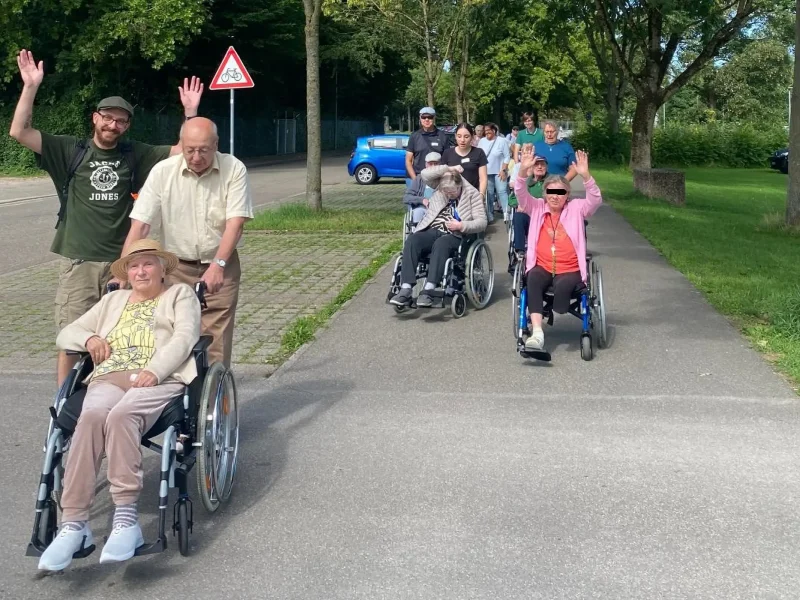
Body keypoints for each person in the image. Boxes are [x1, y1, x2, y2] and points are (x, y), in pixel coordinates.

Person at [7, 49, 204, 386]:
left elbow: (179, 152)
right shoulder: (70, 150)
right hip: (79, 262)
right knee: (73, 338)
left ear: (127, 126)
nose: (113, 125)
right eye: (108, 118)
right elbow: (19, 132)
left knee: (120, 335)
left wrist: (190, 112)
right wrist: (30, 86)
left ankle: (106, 393)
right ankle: (64, 405)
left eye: (121, 121)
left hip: (122, 265)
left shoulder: (134, 153)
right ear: (95, 118)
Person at [38, 240, 201, 571]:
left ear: (162, 269)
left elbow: (185, 337)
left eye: (148, 264)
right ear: (126, 273)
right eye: (134, 266)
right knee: (91, 415)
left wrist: (155, 370)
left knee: (122, 415)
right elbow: (66, 333)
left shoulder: (180, 295)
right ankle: (74, 524)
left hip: (159, 377)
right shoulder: (113, 300)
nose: (141, 271)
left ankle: (126, 520)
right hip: (109, 377)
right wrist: (89, 338)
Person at [123, 118, 253, 367]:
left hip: (220, 264)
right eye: (189, 150)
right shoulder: (163, 171)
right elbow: (140, 225)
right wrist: (124, 269)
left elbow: (235, 223)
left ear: (216, 145)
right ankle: (178, 389)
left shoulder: (234, 168)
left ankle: (215, 388)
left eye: (203, 150)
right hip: (175, 266)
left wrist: (218, 265)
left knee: (215, 341)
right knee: (172, 334)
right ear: (181, 144)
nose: (196, 157)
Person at [513, 149, 601, 354]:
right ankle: (537, 334)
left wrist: (586, 176)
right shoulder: (536, 207)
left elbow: (595, 201)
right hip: (542, 266)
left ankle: (557, 309)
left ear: (567, 195)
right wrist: (523, 171)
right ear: (545, 194)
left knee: (561, 299)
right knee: (532, 278)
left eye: (560, 192)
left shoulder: (577, 208)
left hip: (570, 269)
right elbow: (520, 193)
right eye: (551, 192)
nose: (555, 197)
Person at [389, 166, 487, 308]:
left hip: (455, 234)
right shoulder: (440, 185)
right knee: (413, 240)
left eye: (452, 192)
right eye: (445, 191)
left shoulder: (473, 195)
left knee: (441, 244)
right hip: (432, 228)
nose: (449, 195)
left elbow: (482, 222)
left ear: (459, 185)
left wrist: (462, 225)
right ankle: (406, 288)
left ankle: (429, 288)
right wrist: (448, 168)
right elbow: (425, 174)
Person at [512, 153, 549, 255]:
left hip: (547, 217)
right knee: (518, 216)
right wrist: (519, 204)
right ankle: (520, 251)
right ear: (531, 167)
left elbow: (560, 194)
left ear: (547, 167)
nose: (539, 167)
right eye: (536, 164)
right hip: (529, 216)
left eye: (542, 164)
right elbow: (513, 197)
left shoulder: (552, 181)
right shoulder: (526, 181)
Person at [405, 107, 450, 186]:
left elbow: (447, 160)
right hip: (417, 176)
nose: (426, 119)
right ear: (420, 118)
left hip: (436, 178)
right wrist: (415, 179)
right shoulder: (414, 136)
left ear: (434, 118)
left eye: (430, 117)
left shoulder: (443, 136)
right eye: (423, 117)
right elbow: (408, 160)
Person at [441, 123, 487, 195]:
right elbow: (441, 174)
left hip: (473, 195)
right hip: (452, 195)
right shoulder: (447, 153)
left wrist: (481, 195)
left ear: (472, 137)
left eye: (466, 137)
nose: (462, 140)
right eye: (459, 136)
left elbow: (483, 178)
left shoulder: (479, 152)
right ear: (455, 136)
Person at [478, 123, 511, 224]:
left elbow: (507, 156)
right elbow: (479, 155)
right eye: (485, 130)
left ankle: (506, 213)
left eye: (489, 130)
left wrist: (504, 170)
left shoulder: (502, 141)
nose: (487, 132)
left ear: (494, 131)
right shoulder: (482, 141)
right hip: (486, 172)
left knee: (502, 191)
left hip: (499, 171)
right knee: (489, 193)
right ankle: (490, 215)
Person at [403, 151, 441, 225]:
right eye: (430, 164)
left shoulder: (445, 178)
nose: (433, 166)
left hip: (440, 210)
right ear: (426, 165)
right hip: (423, 209)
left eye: (436, 164)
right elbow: (407, 197)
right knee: (418, 212)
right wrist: (422, 200)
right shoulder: (419, 179)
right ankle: (418, 231)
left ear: (440, 165)